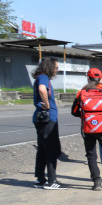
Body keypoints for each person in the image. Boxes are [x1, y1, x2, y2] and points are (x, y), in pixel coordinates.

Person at [32, 57, 64, 189]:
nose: (57, 70)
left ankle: (40, 179)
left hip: (40, 118)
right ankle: (52, 181)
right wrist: (47, 104)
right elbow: (42, 89)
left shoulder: (40, 77)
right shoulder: (43, 77)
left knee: (42, 149)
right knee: (52, 149)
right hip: (47, 118)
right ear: (49, 67)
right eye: (56, 68)